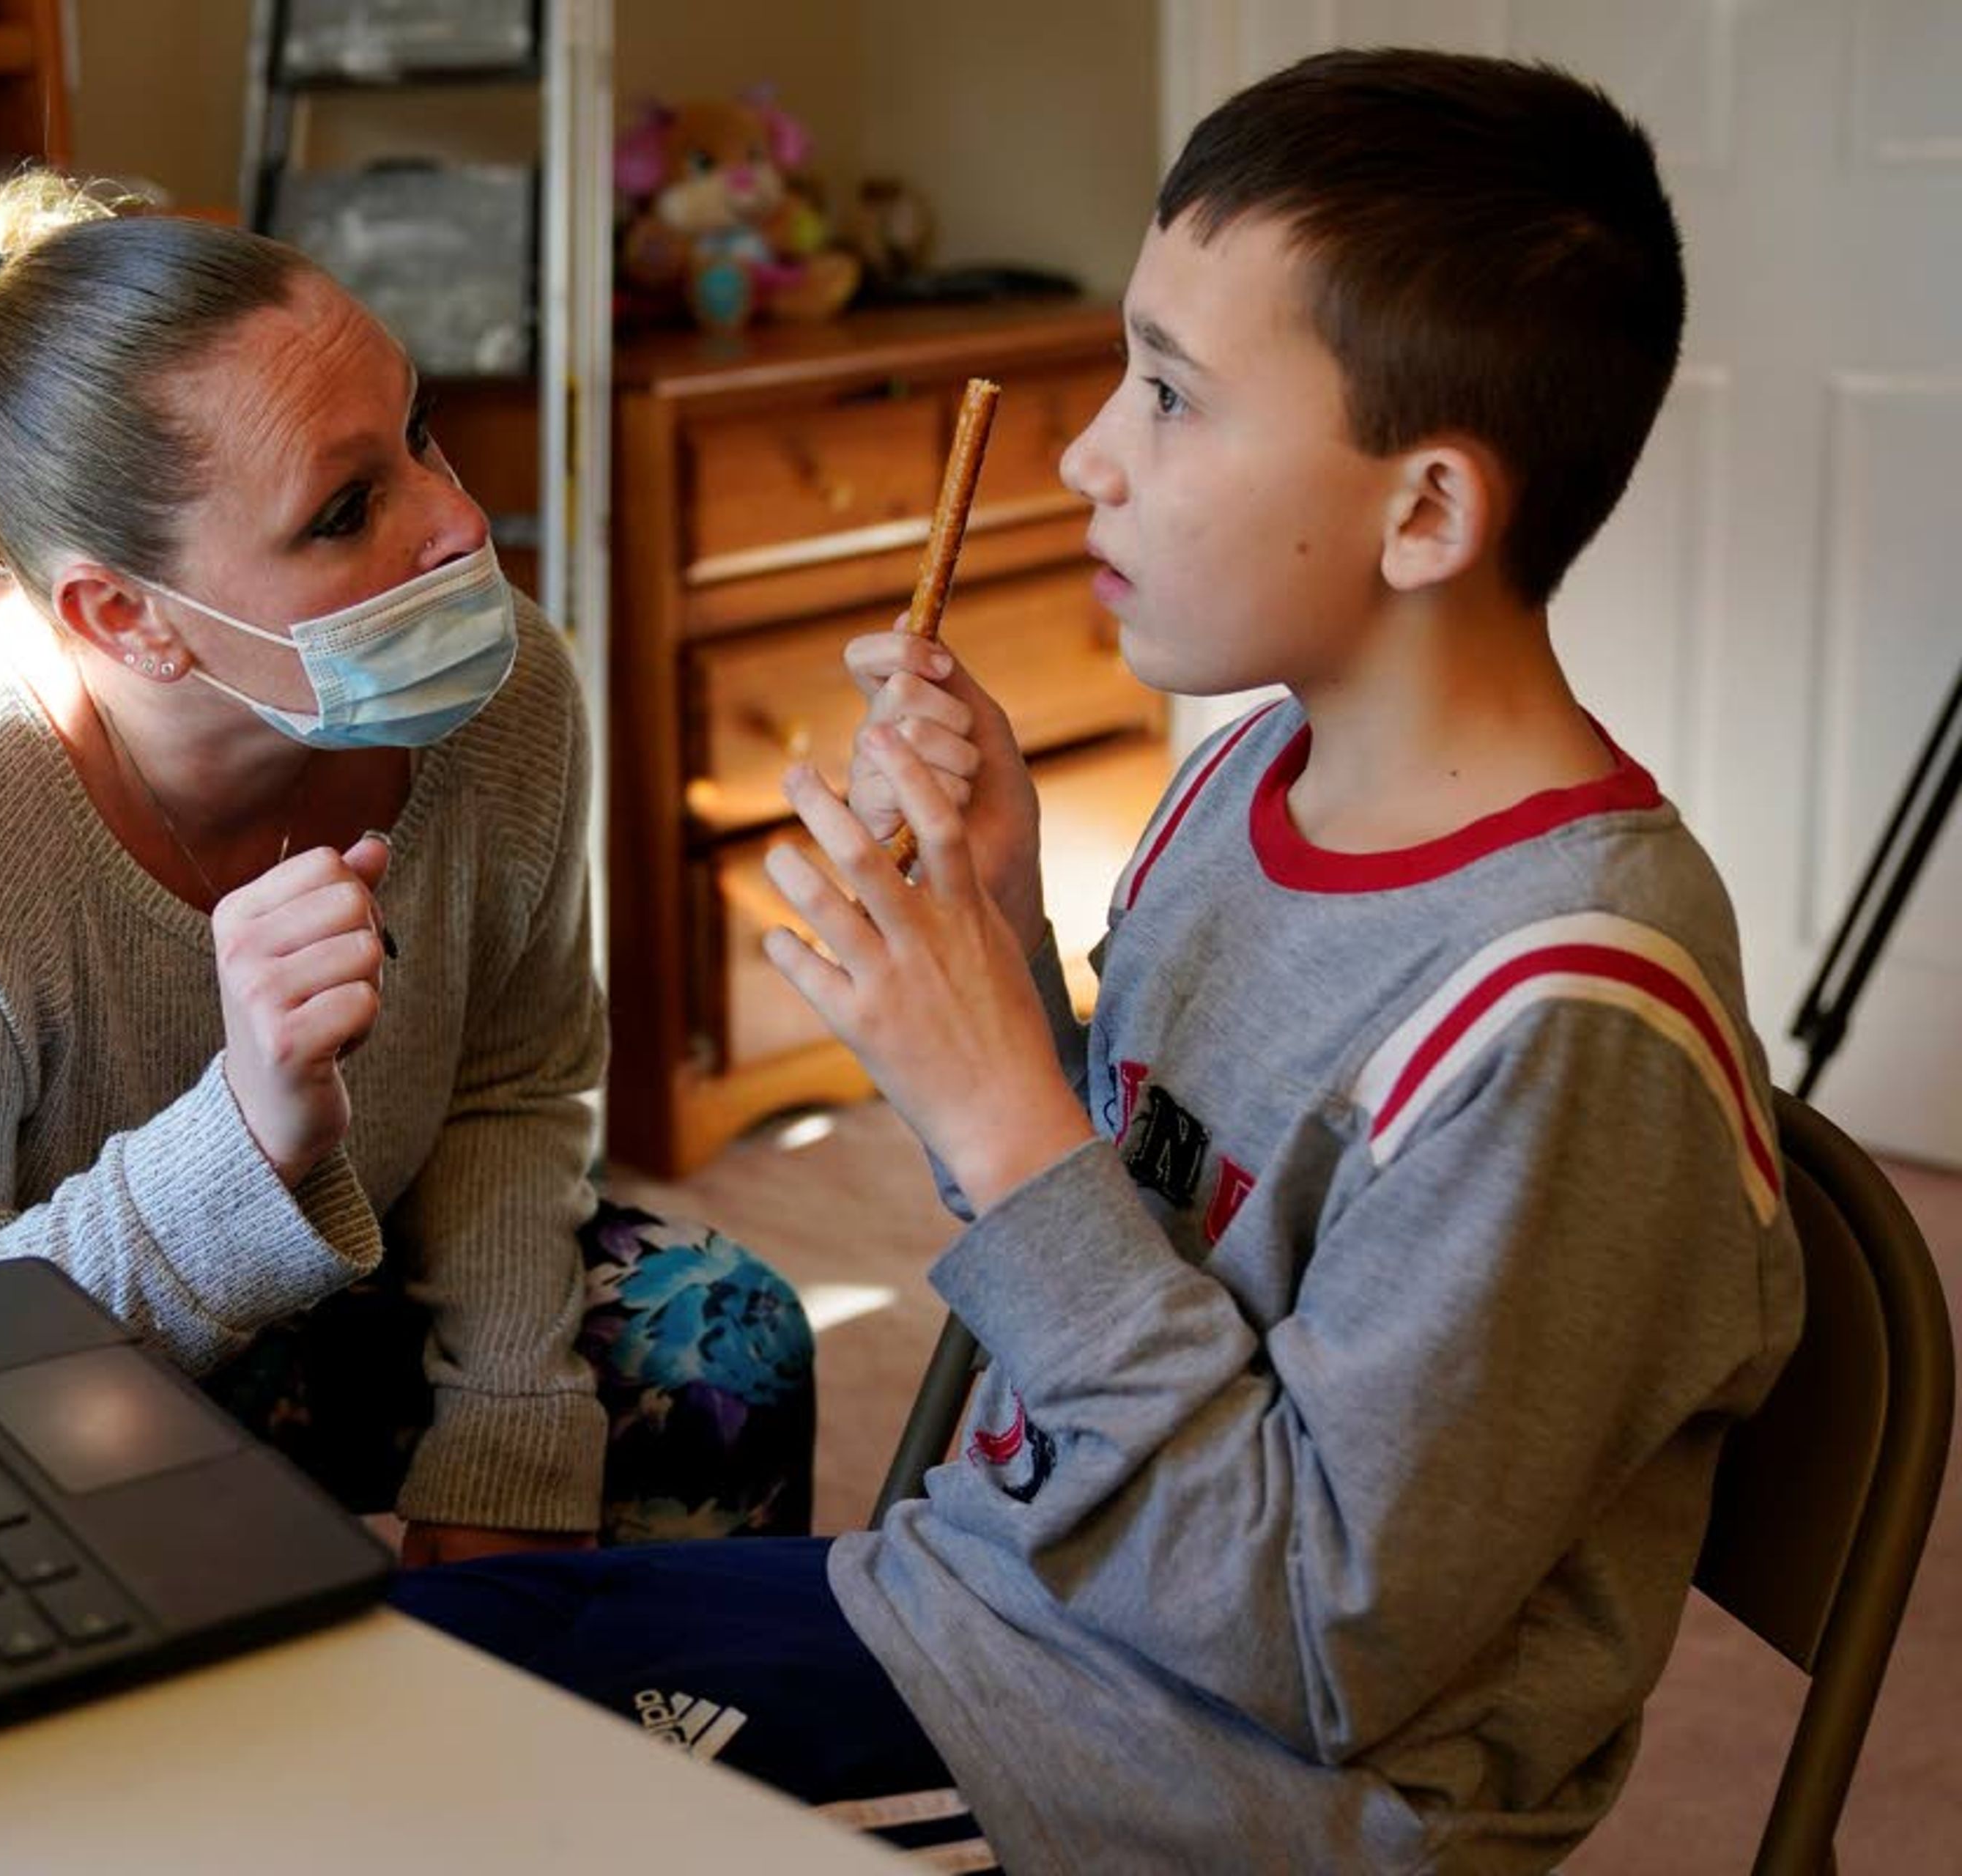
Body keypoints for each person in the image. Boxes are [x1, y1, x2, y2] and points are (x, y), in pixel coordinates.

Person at [390, 48, 1804, 1872]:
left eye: (1171, 395)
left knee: (419, 1798)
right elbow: (1121, 1273)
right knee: (397, 1671)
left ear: (1428, 513)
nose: (1086, 455)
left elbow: (1320, 1638)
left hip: (1196, 1778)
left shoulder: (1568, 1023)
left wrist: (1003, 1117)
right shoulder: (1247, 779)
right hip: (999, 1611)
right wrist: (1001, 945)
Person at [0, 171, 813, 1566]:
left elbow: (510, 1086)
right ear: (125, 618)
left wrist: (504, 1446)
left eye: (421, 435)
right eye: (345, 510)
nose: (457, 527)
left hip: (228, 1297)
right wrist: (249, 1133)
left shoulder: (500, 694)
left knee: (719, 1348)